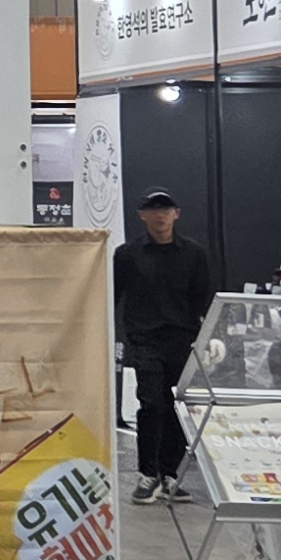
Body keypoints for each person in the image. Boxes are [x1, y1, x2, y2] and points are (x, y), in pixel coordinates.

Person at [113, 188, 214, 503]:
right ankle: (148, 473)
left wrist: (207, 337)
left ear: (176, 214)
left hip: (182, 340)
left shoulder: (194, 254)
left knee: (176, 407)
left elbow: (203, 297)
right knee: (151, 404)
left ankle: (170, 474)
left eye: (166, 209)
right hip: (145, 340)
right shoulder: (127, 255)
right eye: (153, 209)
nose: (160, 215)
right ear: (142, 215)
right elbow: (113, 295)